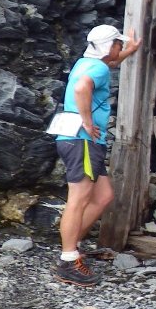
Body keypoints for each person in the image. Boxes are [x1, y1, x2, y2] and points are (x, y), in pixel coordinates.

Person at [52, 23, 141, 286]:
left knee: (103, 196)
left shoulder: (87, 62)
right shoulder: (97, 69)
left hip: (77, 140)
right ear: (108, 46)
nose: (119, 47)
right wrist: (87, 120)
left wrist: (129, 52)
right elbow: (82, 89)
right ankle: (68, 261)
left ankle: (70, 250)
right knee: (78, 199)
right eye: (118, 44)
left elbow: (107, 66)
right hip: (82, 141)